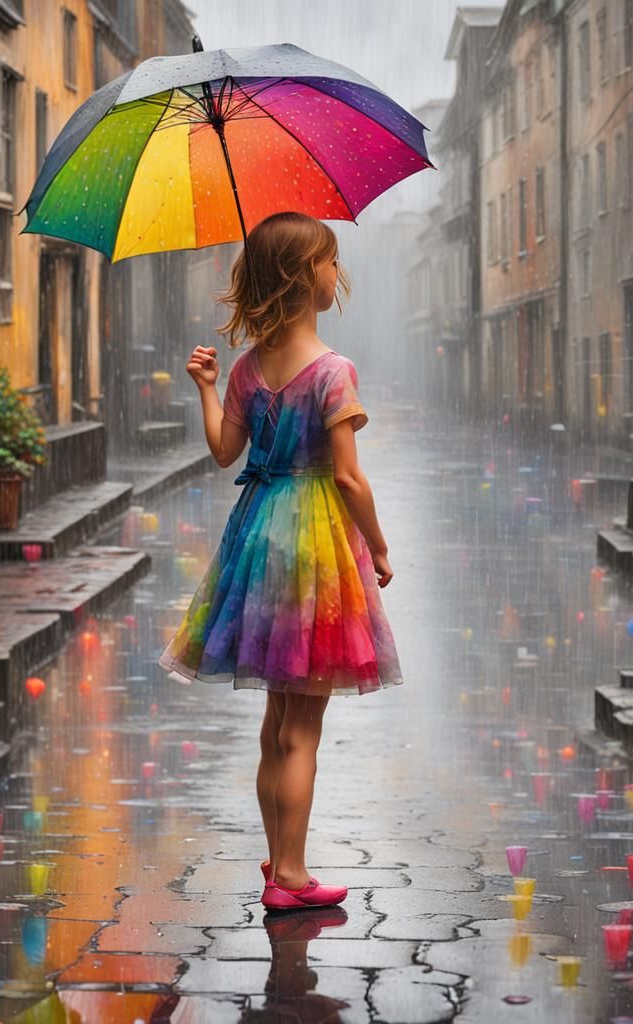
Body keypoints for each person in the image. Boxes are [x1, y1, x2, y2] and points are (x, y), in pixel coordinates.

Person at [158, 211, 404, 912]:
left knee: (275, 725)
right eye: (329, 261)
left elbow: (224, 453)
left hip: (257, 539)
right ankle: (292, 877)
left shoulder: (247, 368)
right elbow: (350, 478)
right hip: (316, 547)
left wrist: (206, 387)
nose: (338, 273)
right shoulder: (333, 372)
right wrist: (379, 545)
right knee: (303, 728)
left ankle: (279, 864)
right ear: (304, 278)